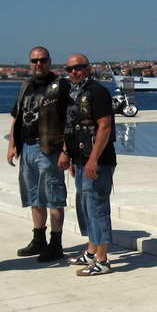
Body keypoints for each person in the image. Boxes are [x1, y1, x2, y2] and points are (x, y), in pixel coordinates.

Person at [7, 46, 71, 262]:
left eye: (42, 60)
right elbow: (17, 115)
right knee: (34, 196)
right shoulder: (26, 85)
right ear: (30, 63)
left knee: (53, 196)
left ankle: (56, 243)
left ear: (50, 61)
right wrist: (12, 144)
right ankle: (38, 239)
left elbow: (70, 120)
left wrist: (66, 151)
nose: (38, 64)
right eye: (34, 61)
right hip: (27, 148)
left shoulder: (60, 86)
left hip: (49, 149)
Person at [60, 54, 117, 276]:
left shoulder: (97, 92)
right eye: (70, 69)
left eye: (79, 67)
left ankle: (102, 261)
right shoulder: (75, 93)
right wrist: (69, 154)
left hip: (98, 160)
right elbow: (72, 126)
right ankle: (91, 252)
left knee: (97, 207)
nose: (74, 72)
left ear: (88, 68)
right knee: (86, 206)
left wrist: (93, 159)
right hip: (81, 159)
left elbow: (104, 127)